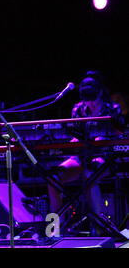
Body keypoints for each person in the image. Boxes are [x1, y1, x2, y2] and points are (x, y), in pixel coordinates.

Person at [48, 71, 125, 234]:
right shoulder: (78, 109)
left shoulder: (113, 108)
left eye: (93, 99)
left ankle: (98, 228)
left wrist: (104, 138)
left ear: (99, 91)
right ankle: (57, 227)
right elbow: (73, 135)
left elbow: (121, 135)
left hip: (105, 157)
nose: (90, 104)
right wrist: (75, 141)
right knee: (53, 179)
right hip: (80, 156)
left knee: (90, 175)